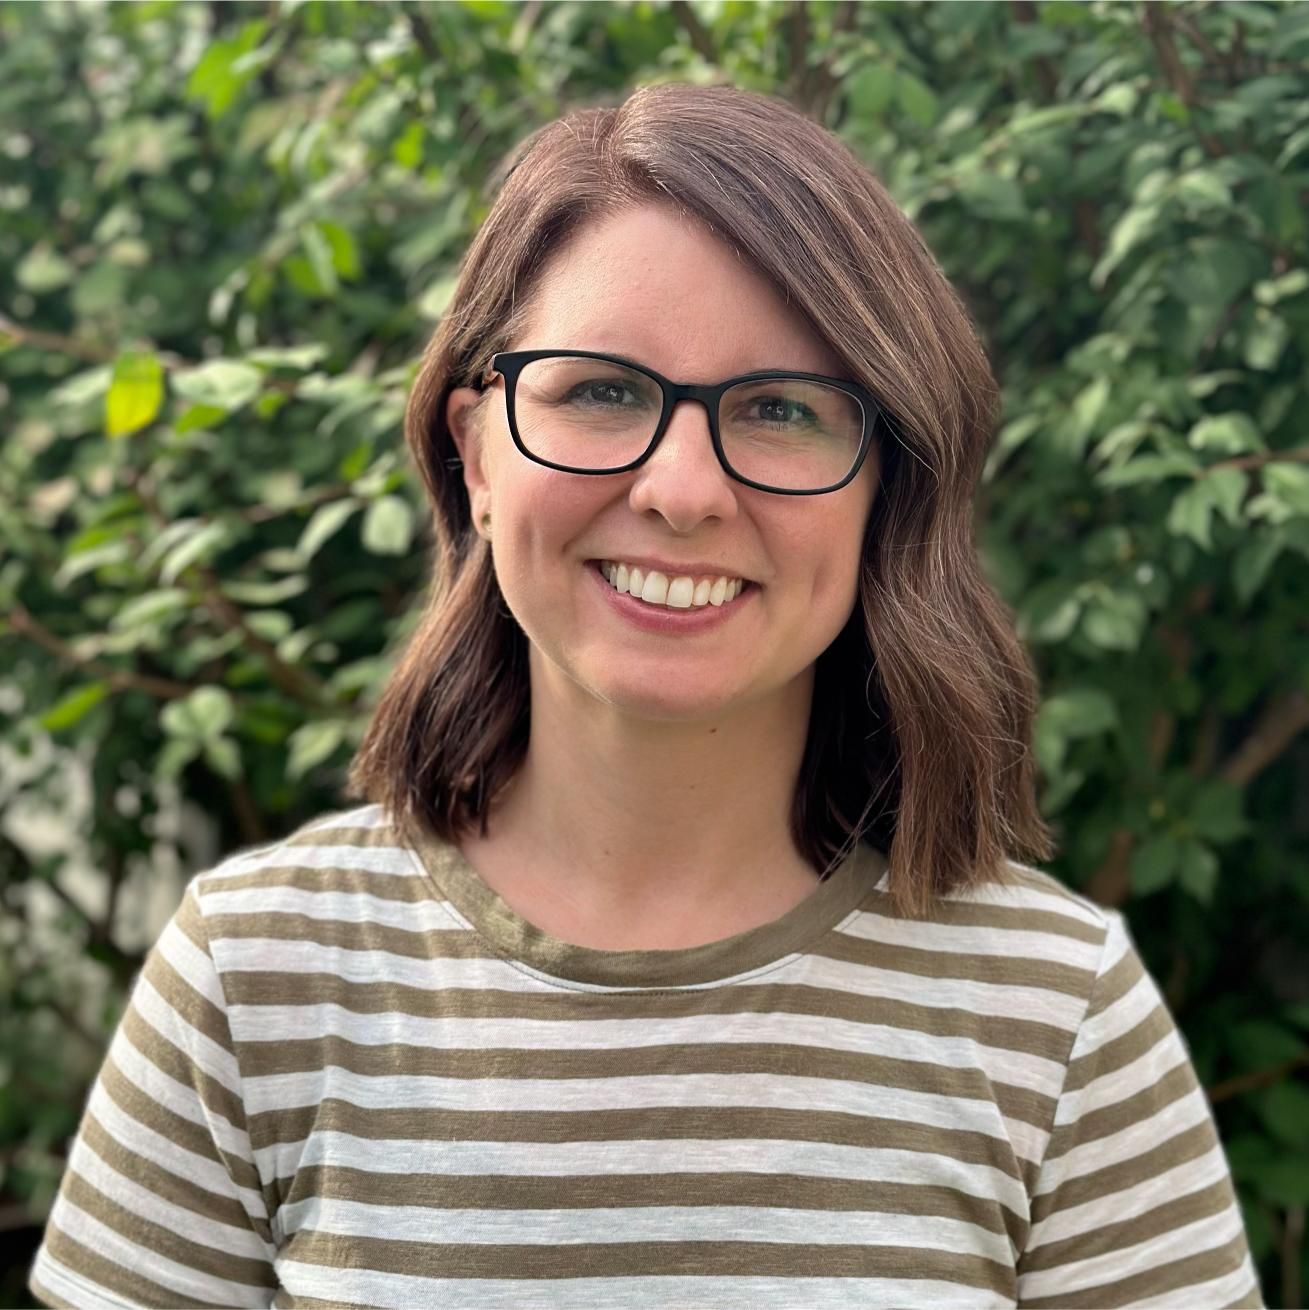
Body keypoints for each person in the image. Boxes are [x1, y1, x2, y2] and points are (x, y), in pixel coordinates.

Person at [29, 82, 1262, 1309]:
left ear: (884, 484)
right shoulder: (257, 977)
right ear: (477, 454)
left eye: (780, 409)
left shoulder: (1053, 1013)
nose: (681, 489)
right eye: (601, 390)